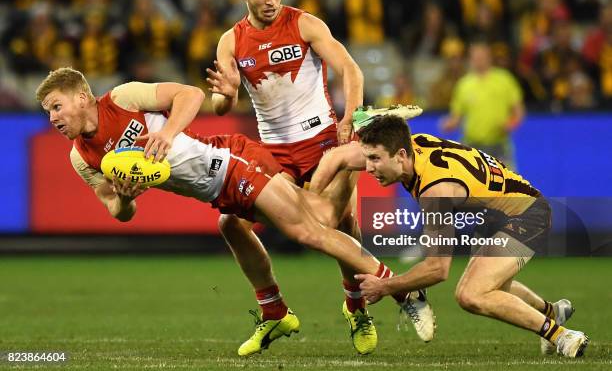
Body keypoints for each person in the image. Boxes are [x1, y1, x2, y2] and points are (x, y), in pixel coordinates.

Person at [35, 67, 429, 354]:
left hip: (228, 162)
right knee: (236, 226)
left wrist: (167, 133)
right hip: (216, 190)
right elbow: (118, 211)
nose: (52, 118)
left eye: (56, 106)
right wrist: (125, 194)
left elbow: (189, 94)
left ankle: (401, 288)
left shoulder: (122, 98)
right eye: (47, 112)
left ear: (82, 98)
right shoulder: (80, 157)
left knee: (314, 228)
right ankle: (275, 311)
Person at [206, 0, 434, 356]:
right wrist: (224, 96)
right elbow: (224, 105)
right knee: (229, 223)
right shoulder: (231, 41)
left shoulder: (304, 24)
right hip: (273, 152)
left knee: (339, 223)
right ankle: (274, 310)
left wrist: (353, 115)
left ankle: (357, 307)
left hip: (324, 142)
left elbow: (352, 69)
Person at [311, 114, 590, 359]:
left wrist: (387, 286)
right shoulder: (409, 144)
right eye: (368, 158)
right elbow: (337, 157)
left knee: (471, 294)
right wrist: (313, 202)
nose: (369, 168)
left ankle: (562, 336)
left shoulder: (436, 191)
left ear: (400, 157)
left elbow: (437, 269)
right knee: (487, 284)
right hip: (499, 213)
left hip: (528, 216)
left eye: (375, 159)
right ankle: (551, 312)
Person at [441, 40, 524, 168]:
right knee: (469, 184)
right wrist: (449, 124)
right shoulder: (464, 84)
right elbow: (456, 117)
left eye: (481, 57)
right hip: (471, 146)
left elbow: (518, 111)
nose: (478, 61)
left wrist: (510, 124)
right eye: (475, 58)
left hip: (499, 144)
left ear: (489, 57)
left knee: (506, 184)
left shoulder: (504, 80)